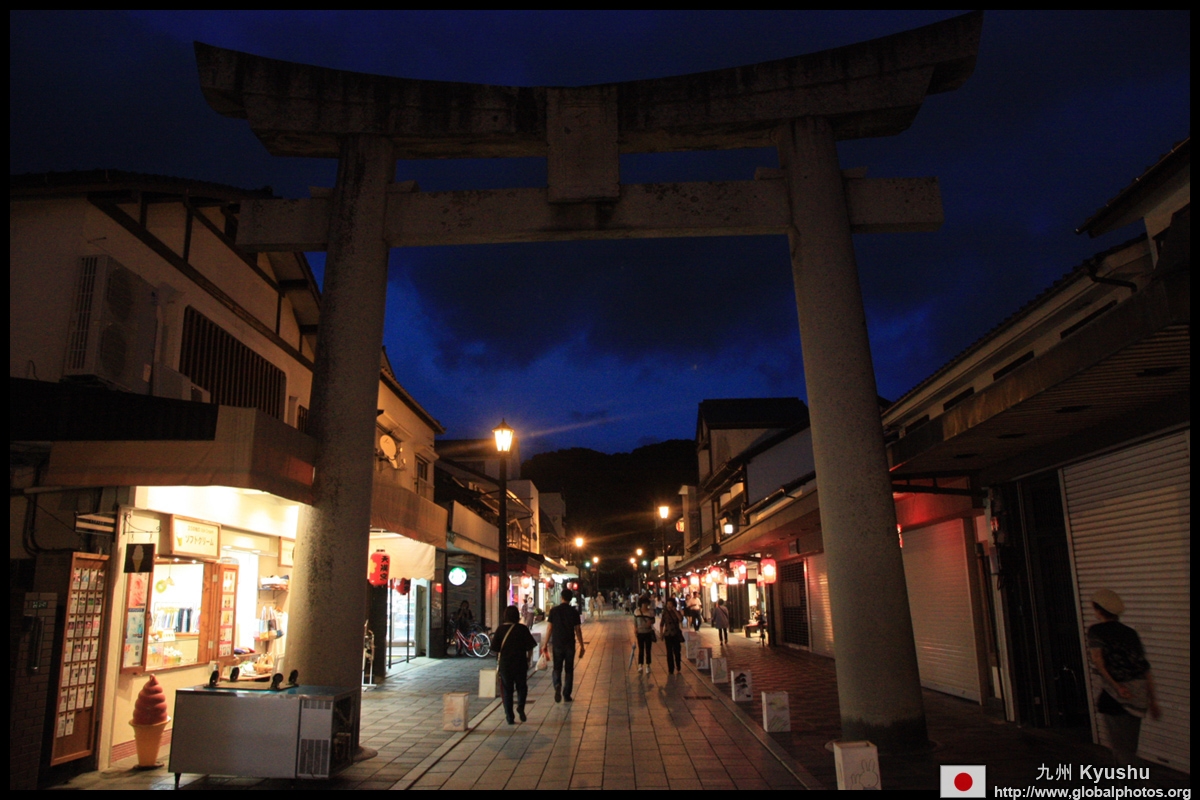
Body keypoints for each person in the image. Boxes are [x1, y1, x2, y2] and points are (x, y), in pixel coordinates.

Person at [1087, 589, 1160, 766]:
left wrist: (1117, 686)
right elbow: (1144, 667)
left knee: (1120, 748)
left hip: (1114, 697)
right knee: (1130, 747)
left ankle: (1130, 780)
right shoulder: (1130, 633)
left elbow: (1098, 662)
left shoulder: (1096, 631)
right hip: (1138, 695)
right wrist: (1152, 700)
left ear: (1099, 610)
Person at [493, 605, 538, 724]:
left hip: (505, 664)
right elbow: (530, 646)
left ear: (505, 616)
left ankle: (509, 717)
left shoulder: (500, 629)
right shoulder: (522, 629)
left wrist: (498, 660)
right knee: (522, 686)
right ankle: (520, 706)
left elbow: (495, 649)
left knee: (507, 690)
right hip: (520, 662)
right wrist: (528, 659)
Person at [541, 588, 585, 702]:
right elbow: (578, 629)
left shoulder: (554, 611)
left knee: (557, 668)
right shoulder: (574, 612)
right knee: (569, 669)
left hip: (557, 644)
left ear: (561, 597)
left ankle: (557, 684)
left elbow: (549, 628)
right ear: (570, 598)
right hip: (570, 644)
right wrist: (582, 646)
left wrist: (545, 643)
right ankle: (567, 694)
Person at [660, 597, 685, 675]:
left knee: (677, 651)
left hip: (675, 634)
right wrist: (661, 633)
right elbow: (662, 624)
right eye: (668, 604)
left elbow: (680, 619)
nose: (669, 605)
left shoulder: (677, 612)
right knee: (669, 652)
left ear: (674, 604)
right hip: (668, 634)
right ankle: (670, 669)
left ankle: (678, 665)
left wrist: (675, 611)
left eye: (670, 604)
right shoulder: (665, 613)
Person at [633, 596, 656, 675]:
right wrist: (635, 629)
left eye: (646, 603)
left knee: (648, 649)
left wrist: (651, 622)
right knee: (641, 649)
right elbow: (635, 621)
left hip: (648, 632)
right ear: (641, 604)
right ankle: (640, 664)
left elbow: (653, 620)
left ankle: (648, 665)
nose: (645, 605)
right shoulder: (637, 611)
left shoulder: (650, 612)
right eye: (644, 603)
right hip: (640, 632)